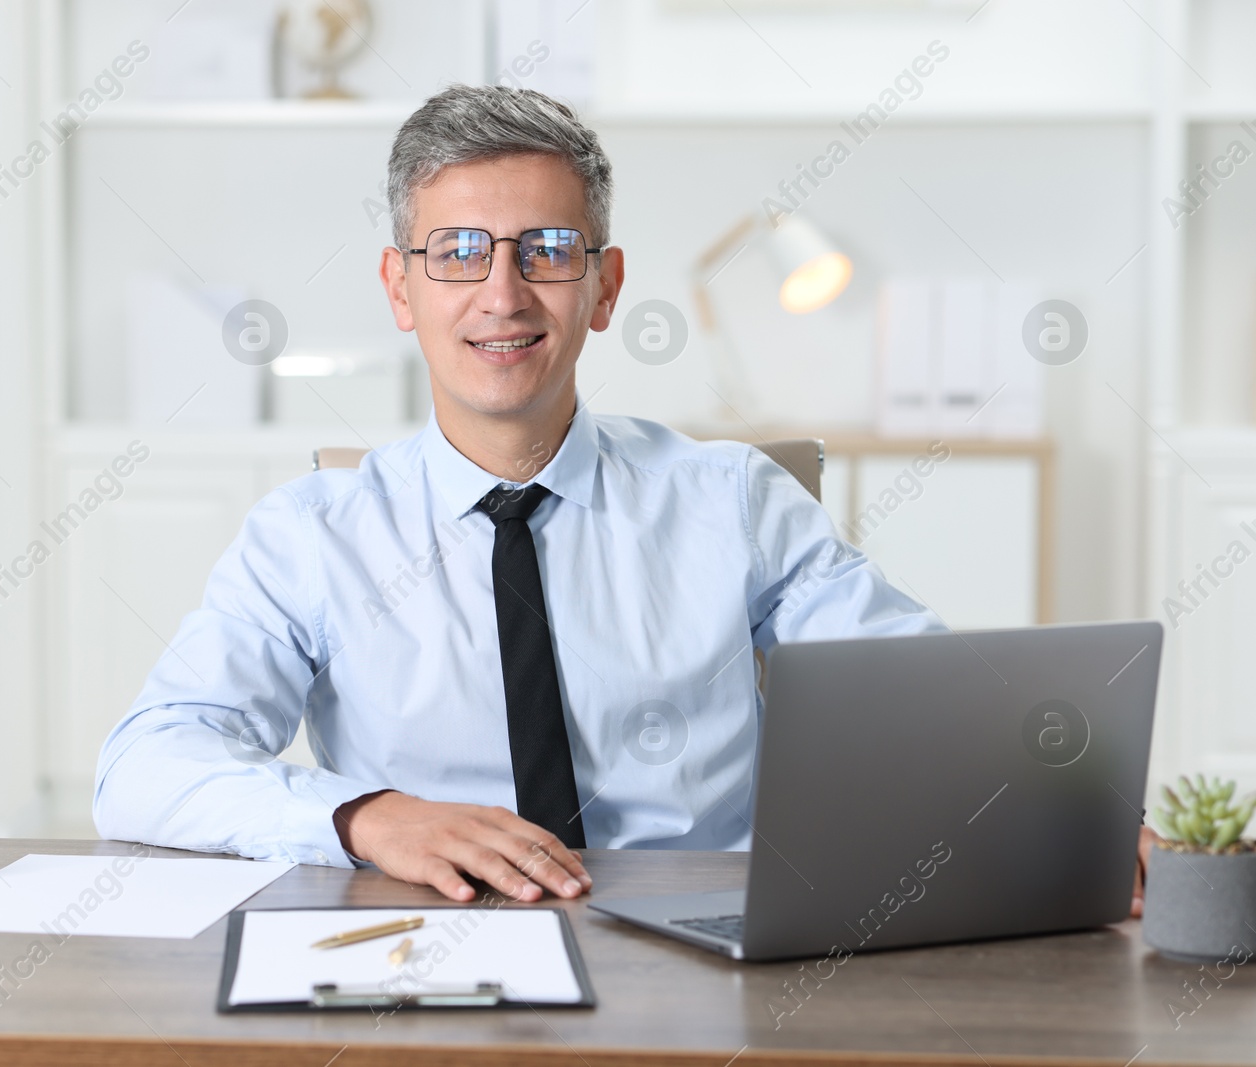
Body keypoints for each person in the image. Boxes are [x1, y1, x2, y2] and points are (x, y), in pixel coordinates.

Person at [95, 84, 1144, 912]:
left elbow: (913, 687)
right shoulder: (308, 535)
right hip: (420, 945)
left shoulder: (730, 500)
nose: (502, 294)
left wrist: (1073, 803)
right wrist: (366, 815)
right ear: (398, 285)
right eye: (458, 252)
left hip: (704, 949)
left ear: (603, 285)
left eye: (546, 250)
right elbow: (144, 766)